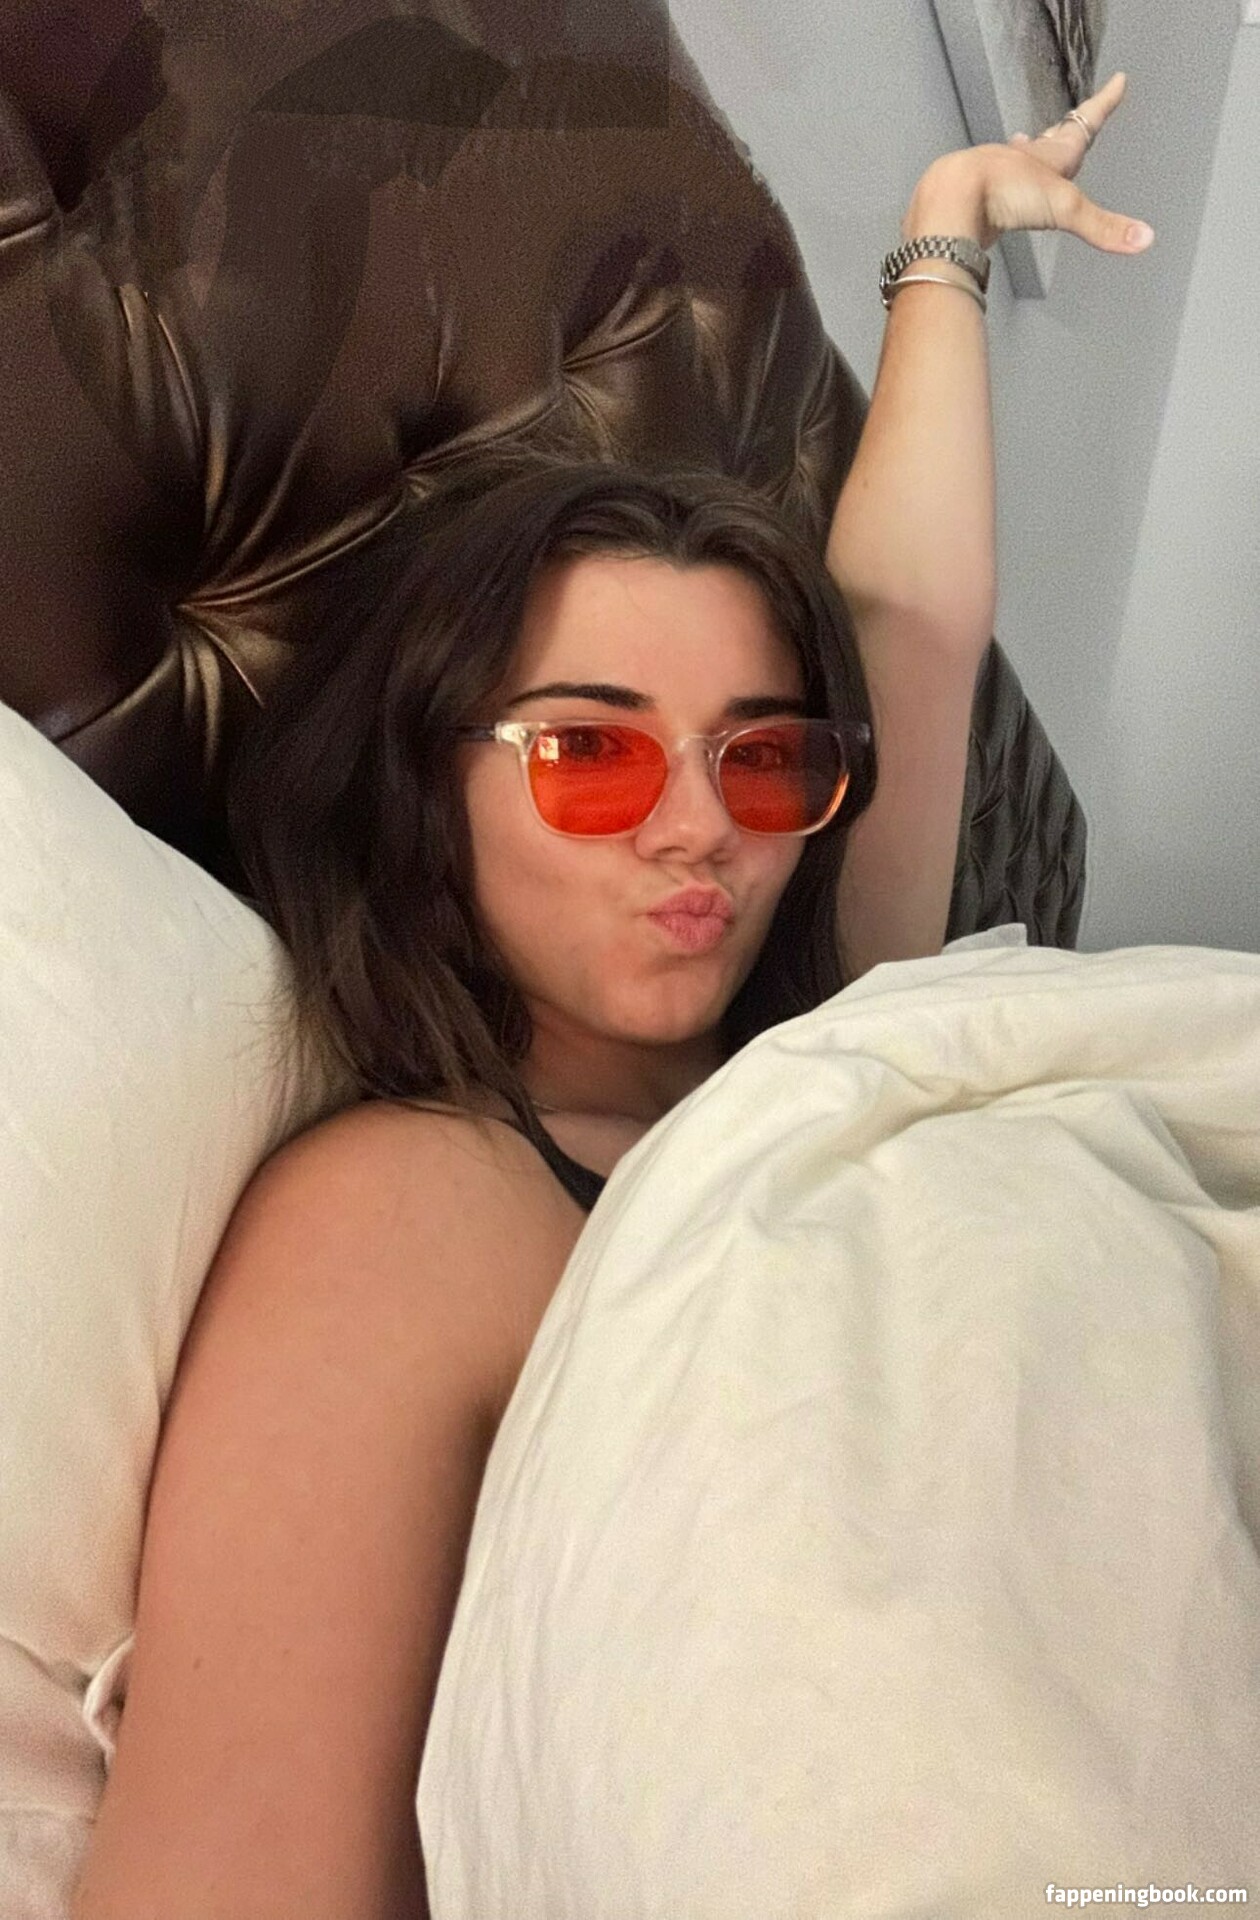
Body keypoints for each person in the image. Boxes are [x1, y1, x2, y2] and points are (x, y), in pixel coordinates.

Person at [71, 74, 1153, 1920]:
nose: (698, 829)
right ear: (431, 783)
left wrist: (944, 241)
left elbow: (907, 630)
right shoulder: (405, 1213)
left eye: (760, 756)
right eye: (589, 753)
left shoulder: (823, 1040)